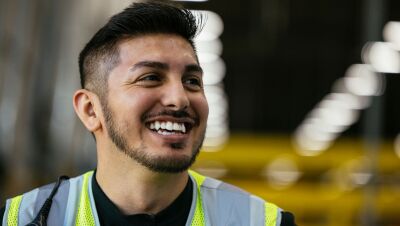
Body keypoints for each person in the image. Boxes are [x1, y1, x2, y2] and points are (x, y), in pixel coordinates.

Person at [1, 1, 296, 225]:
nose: (180, 99)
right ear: (91, 110)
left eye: (192, 81)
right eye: (151, 77)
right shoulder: (22, 219)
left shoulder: (262, 221)